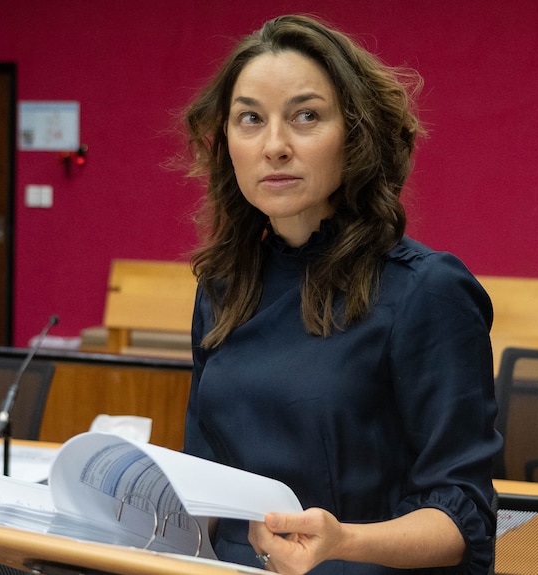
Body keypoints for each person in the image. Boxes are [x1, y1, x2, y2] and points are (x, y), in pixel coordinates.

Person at [181, 14, 501, 575]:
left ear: (354, 135)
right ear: (226, 142)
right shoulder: (223, 286)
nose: (275, 146)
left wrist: (344, 541)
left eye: (306, 116)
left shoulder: (427, 291)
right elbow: (202, 474)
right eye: (250, 119)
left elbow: (463, 519)